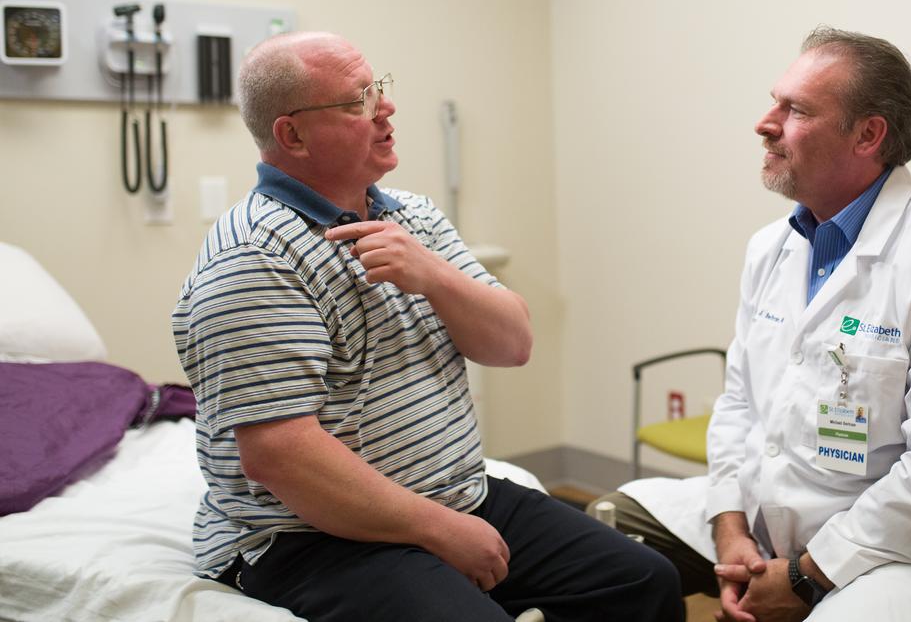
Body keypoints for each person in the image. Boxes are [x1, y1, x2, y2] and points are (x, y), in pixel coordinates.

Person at [173, 31, 683, 622]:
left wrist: (433, 276)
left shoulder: (411, 215)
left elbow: (512, 343)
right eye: (357, 99)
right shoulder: (253, 258)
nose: (385, 108)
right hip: (307, 537)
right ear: (292, 135)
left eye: (378, 88)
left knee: (641, 580)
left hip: (458, 493)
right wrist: (440, 530)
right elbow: (280, 456)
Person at [593, 28, 911, 622]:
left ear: (868, 135)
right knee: (603, 539)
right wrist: (729, 528)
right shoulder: (772, 249)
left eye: (796, 111)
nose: (766, 123)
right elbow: (740, 404)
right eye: (775, 102)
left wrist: (805, 577)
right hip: (772, 517)